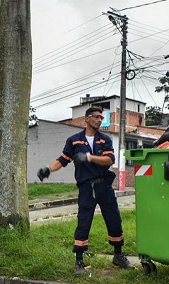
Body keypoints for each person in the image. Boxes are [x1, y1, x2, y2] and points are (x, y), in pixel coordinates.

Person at [37, 107, 133, 274]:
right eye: (96, 117)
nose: (99, 120)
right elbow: (62, 160)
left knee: (114, 219)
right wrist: (48, 169)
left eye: (101, 117)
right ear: (87, 119)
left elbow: (109, 160)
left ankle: (118, 255)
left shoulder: (105, 139)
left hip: (104, 186)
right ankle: (79, 261)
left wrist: (88, 157)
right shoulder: (74, 141)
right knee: (84, 221)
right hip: (86, 188)